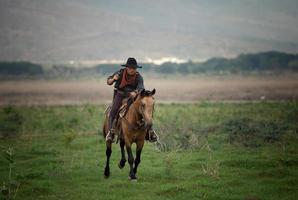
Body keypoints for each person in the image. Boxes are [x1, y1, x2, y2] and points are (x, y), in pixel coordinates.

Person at [105, 57, 158, 143]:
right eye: (131, 68)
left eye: (134, 68)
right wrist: (113, 79)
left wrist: (136, 92)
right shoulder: (120, 73)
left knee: (144, 110)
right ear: (127, 68)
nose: (132, 70)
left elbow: (141, 87)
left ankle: (150, 131)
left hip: (133, 96)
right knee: (113, 111)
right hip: (120, 94)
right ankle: (111, 133)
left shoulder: (138, 77)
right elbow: (109, 82)